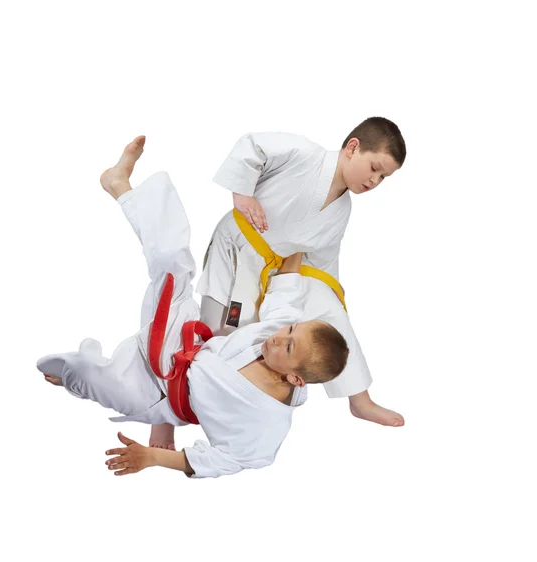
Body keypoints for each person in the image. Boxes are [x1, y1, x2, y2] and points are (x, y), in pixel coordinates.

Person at [37, 136, 349, 478]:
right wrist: (300, 238)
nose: (278, 337)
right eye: (290, 330)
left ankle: (71, 376)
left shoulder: (267, 422)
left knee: (86, 372)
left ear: (295, 378)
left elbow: (224, 460)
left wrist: (153, 458)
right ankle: (120, 186)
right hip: (181, 340)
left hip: (158, 395)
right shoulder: (281, 332)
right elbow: (286, 289)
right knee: (171, 262)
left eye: (288, 345)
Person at [149, 117, 406, 454]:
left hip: (280, 267)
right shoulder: (305, 154)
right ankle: (162, 417)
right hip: (239, 254)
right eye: (374, 168)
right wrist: (242, 195)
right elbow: (252, 146)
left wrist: (328, 296)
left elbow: (323, 258)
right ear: (353, 147)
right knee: (216, 339)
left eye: (383, 177)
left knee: (329, 310)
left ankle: (359, 399)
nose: (375, 180)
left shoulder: (341, 209)